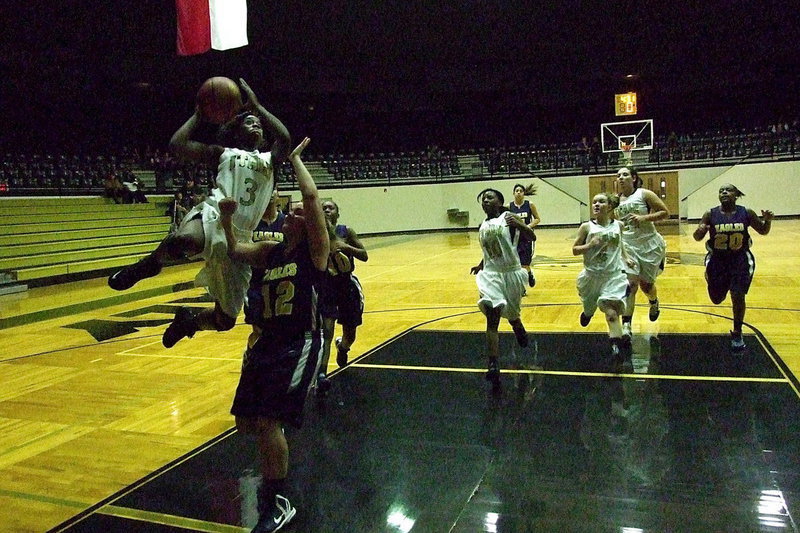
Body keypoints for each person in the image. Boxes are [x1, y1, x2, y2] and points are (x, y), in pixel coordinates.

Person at [107, 78, 291, 348]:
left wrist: (258, 107)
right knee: (183, 241)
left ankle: (188, 323)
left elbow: (284, 138)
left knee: (225, 320)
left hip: (240, 238)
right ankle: (147, 266)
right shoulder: (223, 153)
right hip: (215, 215)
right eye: (249, 121)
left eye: (259, 125)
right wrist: (198, 115)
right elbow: (177, 145)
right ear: (237, 132)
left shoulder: (270, 160)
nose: (256, 124)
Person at [220, 137, 328, 533]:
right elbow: (233, 250)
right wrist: (227, 218)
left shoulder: (314, 252)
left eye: (296, 212)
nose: (292, 213)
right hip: (265, 343)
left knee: (268, 423)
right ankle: (275, 473)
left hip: (299, 342)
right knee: (246, 424)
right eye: (289, 210)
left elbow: (312, 199)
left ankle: (277, 502)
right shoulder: (271, 253)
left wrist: (296, 160)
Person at [693, 184, 773, 351]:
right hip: (717, 261)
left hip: (740, 260)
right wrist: (700, 230)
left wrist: (768, 221)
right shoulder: (710, 213)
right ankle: (719, 286)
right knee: (716, 299)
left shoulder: (746, 213)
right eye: (721, 190)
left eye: (728, 190)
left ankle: (737, 332)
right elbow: (697, 237)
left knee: (738, 295)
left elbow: (763, 231)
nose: (724, 193)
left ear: (736, 195)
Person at [470, 188, 535, 391]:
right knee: (493, 316)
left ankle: (517, 326)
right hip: (491, 274)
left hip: (511, 273)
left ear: (499, 201)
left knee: (512, 314)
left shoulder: (508, 217)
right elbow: (489, 250)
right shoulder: (482, 225)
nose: (485, 201)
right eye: (483, 199)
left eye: (490, 197)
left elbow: (531, 236)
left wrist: (521, 224)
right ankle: (493, 364)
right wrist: (481, 264)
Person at [573, 192, 635, 371]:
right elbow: (575, 250)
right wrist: (589, 245)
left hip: (613, 276)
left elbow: (620, 244)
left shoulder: (619, 225)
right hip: (592, 277)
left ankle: (615, 349)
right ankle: (588, 312)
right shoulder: (586, 228)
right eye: (594, 202)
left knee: (612, 313)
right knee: (589, 308)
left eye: (601, 202)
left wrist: (626, 257)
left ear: (610, 206)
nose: (596, 205)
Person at [316, 199, 368, 394]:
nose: (326, 210)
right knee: (326, 332)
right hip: (326, 286)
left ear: (337, 213)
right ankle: (321, 375)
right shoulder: (314, 233)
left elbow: (364, 255)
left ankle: (343, 347)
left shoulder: (347, 231)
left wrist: (345, 247)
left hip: (347, 286)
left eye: (330, 207)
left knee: (350, 333)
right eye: (323, 208)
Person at [614, 166, 669, 337]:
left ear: (634, 177)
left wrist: (644, 218)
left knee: (647, 285)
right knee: (630, 284)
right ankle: (626, 326)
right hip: (628, 246)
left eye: (625, 174)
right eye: (618, 175)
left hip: (649, 245)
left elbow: (665, 212)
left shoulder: (644, 194)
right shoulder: (614, 201)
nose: (621, 178)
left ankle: (653, 302)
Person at [244, 189, 286, 349]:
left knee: (279, 330)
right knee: (259, 330)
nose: (269, 195)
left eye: (273, 191)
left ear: (278, 196)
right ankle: (251, 357)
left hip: (280, 282)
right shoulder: (250, 223)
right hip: (255, 284)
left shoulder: (285, 222)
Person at [508, 183, 541, 288]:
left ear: (524, 193)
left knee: (525, 263)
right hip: (514, 239)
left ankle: (529, 273)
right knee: (516, 264)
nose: (518, 193)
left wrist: (528, 227)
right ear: (513, 193)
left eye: (521, 191)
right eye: (516, 191)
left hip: (526, 237)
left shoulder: (529, 204)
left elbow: (537, 219)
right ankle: (522, 287)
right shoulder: (509, 206)